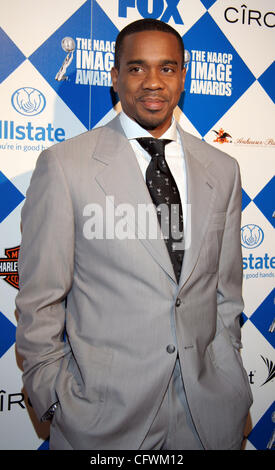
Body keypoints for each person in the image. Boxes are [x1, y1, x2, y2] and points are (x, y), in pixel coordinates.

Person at [15, 19, 252, 450]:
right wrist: (53, 396)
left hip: (208, 415)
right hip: (103, 418)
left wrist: (229, 374)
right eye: (137, 68)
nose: (152, 83)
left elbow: (226, 293)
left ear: (183, 76)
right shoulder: (65, 166)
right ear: (115, 77)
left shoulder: (223, 169)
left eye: (167, 68)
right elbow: (40, 300)